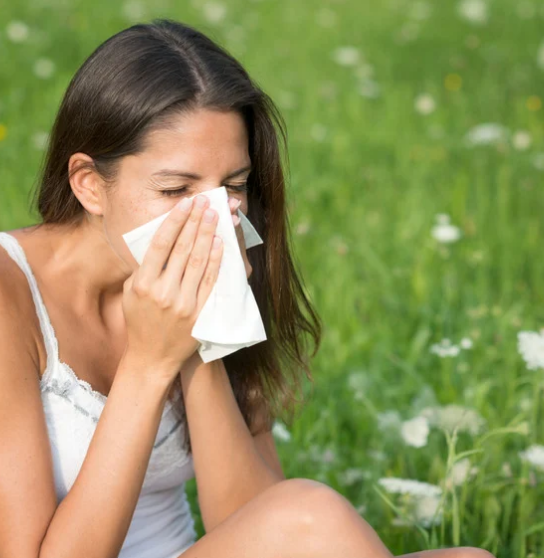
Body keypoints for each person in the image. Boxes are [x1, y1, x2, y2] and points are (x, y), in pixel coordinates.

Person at [0, 18, 495, 558]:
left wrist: (203, 335)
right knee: (313, 513)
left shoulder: (229, 254)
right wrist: (148, 364)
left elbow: (256, 526)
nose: (214, 216)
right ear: (90, 184)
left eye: (232, 186)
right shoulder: (10, 293)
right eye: (176, 189)